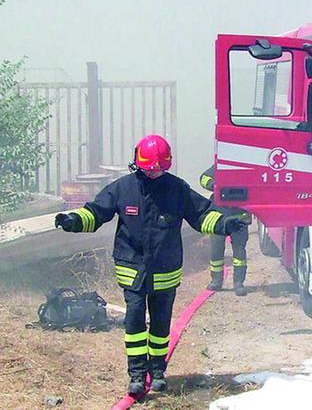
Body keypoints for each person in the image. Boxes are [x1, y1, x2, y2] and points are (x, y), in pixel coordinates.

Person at [54, 135, 245, 395]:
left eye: (158, 168)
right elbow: (97, 211)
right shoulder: (123, 188)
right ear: (137, 163)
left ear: (166, 165)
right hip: (131, 267)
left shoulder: (177, 189)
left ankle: (157, 372)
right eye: (149, 168)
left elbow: (201, 215)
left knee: (160, 322)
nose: (153, 172)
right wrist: (74, 220)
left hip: (165, 270)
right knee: (134, 320)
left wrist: (225, 223)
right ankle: (135, 373)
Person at [199, 165, 252, 296]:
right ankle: (216, 281)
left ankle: (239, 283)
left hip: (239, 216)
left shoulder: (248, 168)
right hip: (219, 216)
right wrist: (215, 184)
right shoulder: (220, 165)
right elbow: (203, 178)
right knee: (216, 250)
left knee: (239, 252)